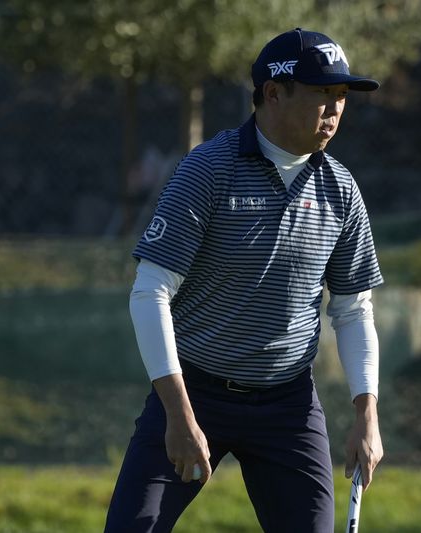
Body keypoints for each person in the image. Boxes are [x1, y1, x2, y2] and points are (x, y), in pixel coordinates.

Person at [104, 28, 384, 533]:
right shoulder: (207, 170)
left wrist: (367, 413)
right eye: (323, 94)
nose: (336, 109)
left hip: (288, 405)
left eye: (341, 97)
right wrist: (179, 414)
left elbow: (353, 309)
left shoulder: (340, 189)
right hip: (195, 394)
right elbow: (150, 292)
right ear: (273, 94)